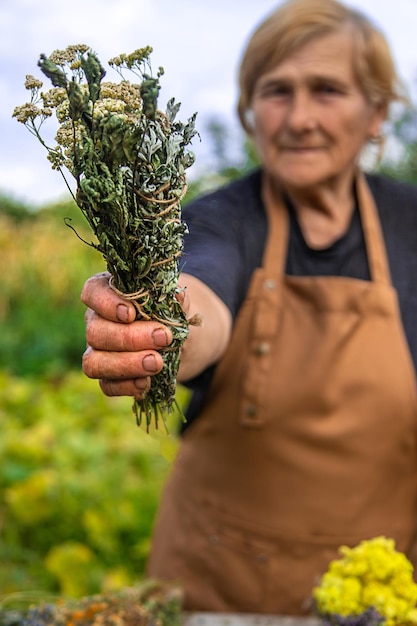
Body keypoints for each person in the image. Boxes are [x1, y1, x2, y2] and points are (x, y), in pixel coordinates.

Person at [80, 0, 417, 615]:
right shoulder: (219, 220)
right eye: (276, 91)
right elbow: (198, 296)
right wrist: (159, 322)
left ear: (377, 112)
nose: (300, 118)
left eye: (328, 90)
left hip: (379, 596)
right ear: (250, 111)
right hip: (218, 589)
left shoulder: (410, 225)